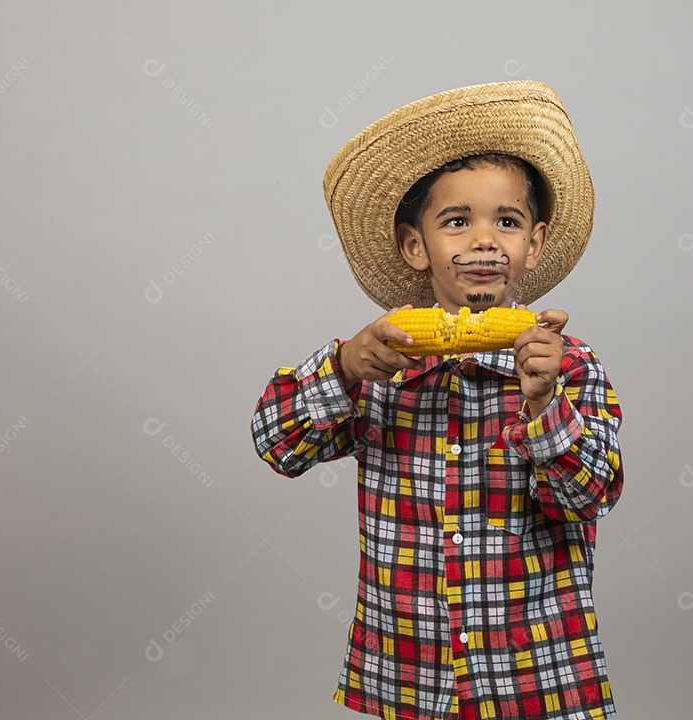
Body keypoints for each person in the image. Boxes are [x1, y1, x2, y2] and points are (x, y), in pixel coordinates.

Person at [251, 80, 623, 720]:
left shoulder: (568, 366)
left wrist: (542, 407)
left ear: (532, 244)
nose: (483, 240)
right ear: (414, 247)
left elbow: (591, 497)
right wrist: (340, 367)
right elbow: (276, 444)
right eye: (457, 221)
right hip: (409, 675)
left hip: (537, 676)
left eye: (505, 222)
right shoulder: (378, 365)